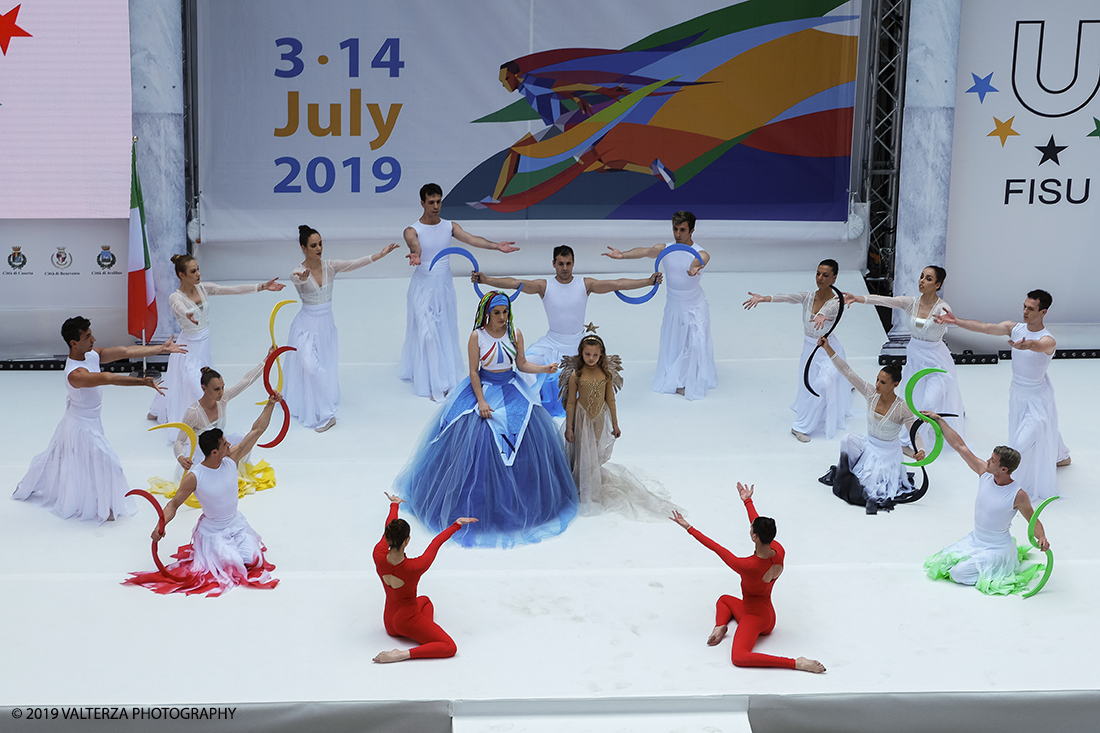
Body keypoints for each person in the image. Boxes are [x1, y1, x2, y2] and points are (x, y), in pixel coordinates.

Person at [394, 291, 578, 548]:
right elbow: (473, 371)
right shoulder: (476, 336)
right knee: (478, 436)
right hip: (483, 389)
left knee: (524, 431)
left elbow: (521, 364)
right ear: (487, 314)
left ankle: (521, 502)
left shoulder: (515, 334)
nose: (502, 317)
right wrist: (481, 400)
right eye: (497, 313)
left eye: (505, 312)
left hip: (512, 389)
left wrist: (543, 369)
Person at [14, 317, 183, 523]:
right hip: (81, 426)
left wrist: (160, 349)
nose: (93, 339)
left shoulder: (91, 354)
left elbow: (126, 351)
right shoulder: (75, 374)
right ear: (74, 343)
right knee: (108, 462)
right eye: (87, 336)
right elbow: (107, 378)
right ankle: (106, 507)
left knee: (59, 460)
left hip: (91, 421)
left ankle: (101, 503)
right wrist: (142, 382)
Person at [472, 244, 661, 415]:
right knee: (525, 365)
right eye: (560, 263)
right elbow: (515, 283)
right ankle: (534, 407)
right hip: (551, 342)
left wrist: (648, 281)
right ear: (553, 263)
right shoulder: (544, 286)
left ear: (573, 263)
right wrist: (486, 279)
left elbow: (617, 284)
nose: (564, 268)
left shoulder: (585, 284)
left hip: (578, 344)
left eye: (568, 263)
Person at [124, 396, 283, 596]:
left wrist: (270, 404)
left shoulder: (231, 458)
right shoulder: (195, 477)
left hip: (236, 524)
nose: (229, 444)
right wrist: (160, 526)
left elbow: (257, 430)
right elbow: (173, 504)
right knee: (231, 566)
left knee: (251, 560)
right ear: (214, 452)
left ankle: (238, 545)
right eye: (225, 443)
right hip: (213, 532)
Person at [669, 483, 825, 673]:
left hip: (753, 618)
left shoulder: (747, 566)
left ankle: (796, 663)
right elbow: (758, 523)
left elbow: (717, 548)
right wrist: (747, 501)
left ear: (754, 537)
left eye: (752, 529)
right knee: (724, 599)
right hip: (769, 616)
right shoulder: (779, 550)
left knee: (739, 656)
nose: (750, 528)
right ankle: (720, 627)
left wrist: (689, 527)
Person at [936, 289, 1070, 501]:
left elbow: (1040, 345)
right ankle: (1061, 455)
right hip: (1017, 395)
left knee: (1019, 446)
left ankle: (1006, 488)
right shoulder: (1014, 328)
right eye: (1024, 306)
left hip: (1037, 400)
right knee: (1042, 431)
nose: (1025, 311)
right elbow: (985, 327)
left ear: (1043, 312)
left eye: (1031, 309)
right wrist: (955, 321)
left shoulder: (1048, 339)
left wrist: (1029, 345)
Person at [400, 183, 520, 401]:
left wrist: (496, 246)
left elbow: (472, 239)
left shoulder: (449, 226)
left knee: (443, 331)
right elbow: (414, 244)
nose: (436, 206)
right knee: (426, 335)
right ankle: (433, 383)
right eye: (431, 202)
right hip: (422, 287)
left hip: (444, 287)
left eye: (438, 201)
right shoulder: (412, 229)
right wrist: (416, 254)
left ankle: (443, 380)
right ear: (422, 203)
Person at [149, 253, 284, 436]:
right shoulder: (176, 297)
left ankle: (199, 425)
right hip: (187, 349)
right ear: (182, 275)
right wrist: (188, 313)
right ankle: (195, 428)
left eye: (198, 270)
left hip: (203, 348)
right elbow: (180, 308)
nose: (198, 274)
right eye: (193, 271)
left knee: (198, 385)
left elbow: (233, 290)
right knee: (193, 386)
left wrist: (262, 287)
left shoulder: (204, 288)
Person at [922, 413, 1049, 595]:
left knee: (958, 574)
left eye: (993, 461)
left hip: (997, 548)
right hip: (976, 539)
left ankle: (994, 570)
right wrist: (939, 420)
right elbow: (961, 447)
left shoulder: (1018, 494)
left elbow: (1032, 519)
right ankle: (979, 565)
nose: (988, 461)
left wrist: (1042, 537)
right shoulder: (985, 473)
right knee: (946, 563)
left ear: (1004, 469)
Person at [286, 225, 399, 431]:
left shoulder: (331, 266)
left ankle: (325, 411)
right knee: (310, 367)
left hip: (326, 326)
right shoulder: (298, 271)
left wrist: (380, 255)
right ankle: (323, 412)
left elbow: (355, 263)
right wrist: (301, 277)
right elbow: (295, 277)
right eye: (313, 245)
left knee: (323, 367)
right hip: (305, 326)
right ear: (304, 248)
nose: (319, 248)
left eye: (320, 244)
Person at [559, 330, 678, 519]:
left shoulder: (605, 374)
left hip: (598, 418)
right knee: (583, 452)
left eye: (595, 355)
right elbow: (571, 402)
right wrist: (569, 427)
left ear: (602, 354)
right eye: (587, 354)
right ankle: (580, 487)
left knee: (594, 450)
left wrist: (615, 423)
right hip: (581, 419)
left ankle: (592, 484)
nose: (591, 358)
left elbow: (611, 400)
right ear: (581, 353)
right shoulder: (577, 374)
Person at [602, 211, 716, 400]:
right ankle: (678, 379)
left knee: (695, 342)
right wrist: (622, 255)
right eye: (674, 229)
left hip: (694, 304)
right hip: (673, 304)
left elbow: (701, 258)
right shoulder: (666, 248)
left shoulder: (700, 251)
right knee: (676, 342)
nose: (677, 234)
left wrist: (696, 266)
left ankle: (692, 378)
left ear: (692, 230)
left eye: (682, 230)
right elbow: (646, 251)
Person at [843, 265, 965, 440]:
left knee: (929, 402)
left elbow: (948, 320)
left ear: (938, 285)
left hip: (936, 361)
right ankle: (912, 438)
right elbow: (883, 300)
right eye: (922, 276)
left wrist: (944, 321)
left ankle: (911, 439)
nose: (922, 281)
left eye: (928, 279)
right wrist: (857, 298)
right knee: (912, 402)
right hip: (915, 357)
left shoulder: (943, 308)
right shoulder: (911, 303)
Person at [743, 260, 850, 441]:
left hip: (829, 350)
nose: (820, 278)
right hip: (810, 350)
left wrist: (823, 316)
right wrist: (763, 298)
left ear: (834, 277)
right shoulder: (807, 297)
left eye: (825, 275)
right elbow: (785, 297)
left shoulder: (838, 301)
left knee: (823, 384)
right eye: (818, 274)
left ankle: (800, 427)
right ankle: (811, 413)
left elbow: (832, 310)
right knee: (813, 386)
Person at [817, 337, 925, 514]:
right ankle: (849, 469)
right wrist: (828, 349)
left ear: (895, 384)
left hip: (888, 453)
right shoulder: (870, 393)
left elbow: (915, 434)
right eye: (877, 380)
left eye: (882, 382)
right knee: (847, 440)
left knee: (869, 487)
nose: (877, 385)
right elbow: (847, 372)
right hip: (870, 444)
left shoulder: (902, 408)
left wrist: (921, 450)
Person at [372, 493, 477, 663]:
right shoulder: (415, 567)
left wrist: (394, 505)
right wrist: (456, 525)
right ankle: (402, 653)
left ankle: (423, 631)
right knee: (450, 647)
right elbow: (435, 544)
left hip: (389, 621)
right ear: (407, 541)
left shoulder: (378, 554)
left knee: (425, 600)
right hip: (406, 621)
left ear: (389, 538)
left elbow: (387, 528)